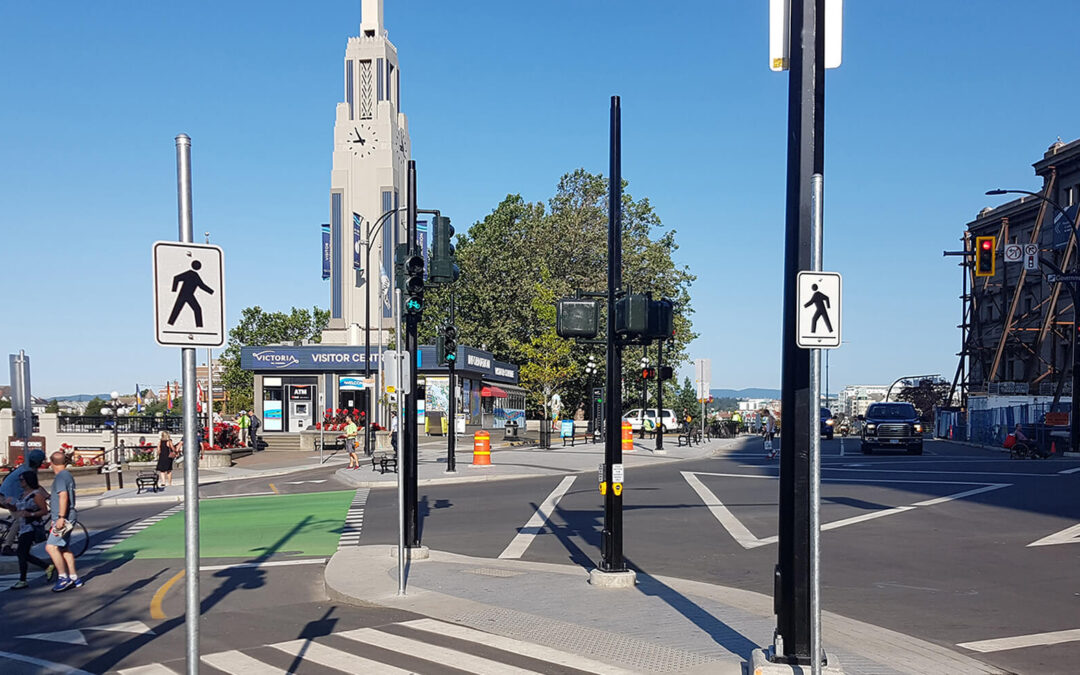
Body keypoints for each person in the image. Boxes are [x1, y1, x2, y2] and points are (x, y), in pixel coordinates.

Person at [7, 470, 52, 589]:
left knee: (21, 553)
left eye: (22, 480)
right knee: (23, 553)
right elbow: (18, 509)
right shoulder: (23, 494)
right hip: (23, 527)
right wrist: (9, 505)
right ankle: (46, 567)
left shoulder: (36, 495)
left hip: (31, 527)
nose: (20, 482)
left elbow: (44, 511)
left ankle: (23, 580)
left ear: (28, 481)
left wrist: (30, 514)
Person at [45, 451, 81, 592]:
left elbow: (63, 496)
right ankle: (73, 577)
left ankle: (63, 577)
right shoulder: (67, 475)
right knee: (64, 548)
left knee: (51, 547)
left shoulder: (60, 477)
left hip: (63, 518)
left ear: (51, 463)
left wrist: (60, 517)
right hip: (69, 515)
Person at [0, 449, 46, 553]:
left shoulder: (26, 468)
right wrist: (47, 496)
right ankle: (7, 546)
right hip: (6, 497)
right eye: (41, 461)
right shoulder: (28, 471)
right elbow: (36, 487)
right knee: (20, 518)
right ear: (37, 461)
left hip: (9, 495)